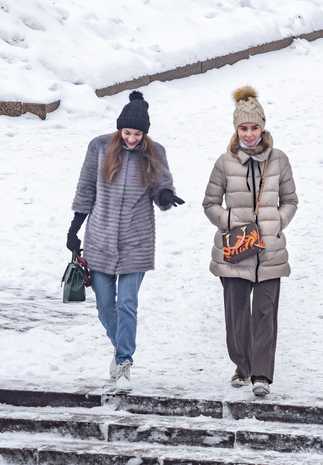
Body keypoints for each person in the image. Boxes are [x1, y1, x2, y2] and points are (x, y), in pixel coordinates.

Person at [67, 91, 184, 394]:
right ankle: (120, 348)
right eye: (127, 132)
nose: (132, 138)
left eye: (138, 133)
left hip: (137, 241)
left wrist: (165, 195)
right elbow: (86, 187)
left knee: (127, 303)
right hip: (100, 240)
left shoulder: (154, 152)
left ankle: (124, 362)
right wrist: (74, 228)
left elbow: (162, 185)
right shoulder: (99, 147)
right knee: (106, 306)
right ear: (120, 129)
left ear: (145, 133)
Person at [202, 86, 298, 397]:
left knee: (265, 313)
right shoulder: (224, 162)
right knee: (237, 315)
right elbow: (210, 203)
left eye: (254, 127)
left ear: (263, 126)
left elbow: (291, 200)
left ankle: (261, 376)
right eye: (243, 127)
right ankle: (242, 367)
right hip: (235, 250)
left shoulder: (279, 160)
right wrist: (230, 221)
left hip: (270, 251)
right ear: (236, 129)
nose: (249, 133)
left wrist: (277, 223)